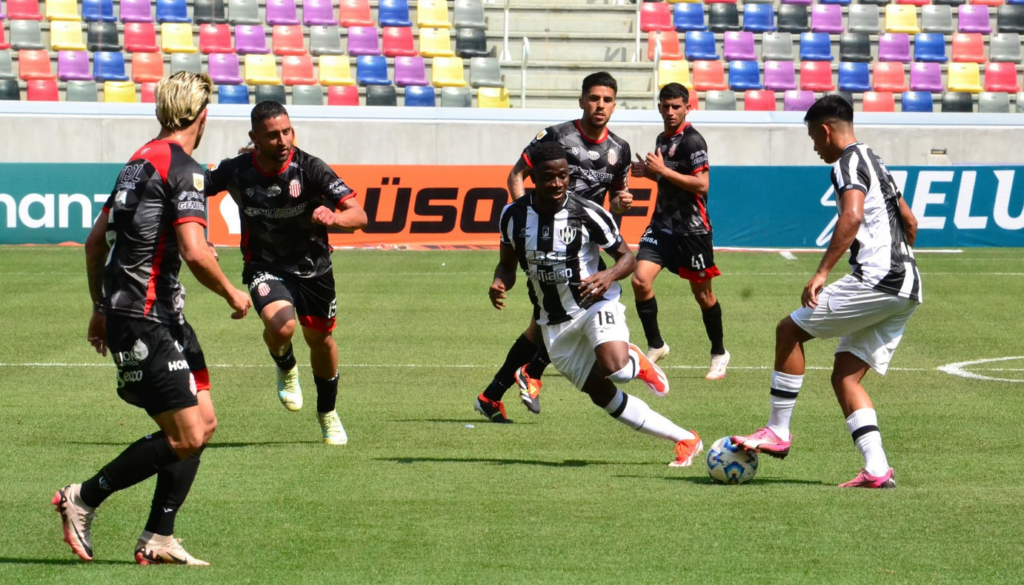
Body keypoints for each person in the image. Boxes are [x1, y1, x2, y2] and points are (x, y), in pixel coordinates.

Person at [54, 72, 252, 566]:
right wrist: (233, 292)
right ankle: (82, 498)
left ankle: (159, 537)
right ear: (203, 116)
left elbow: (97, 242)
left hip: (155, 313)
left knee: (203, 424)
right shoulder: (186, 169)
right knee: (185, 435)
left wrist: (100, 307)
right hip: (146, 318)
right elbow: (195, 252)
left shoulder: (137, 161)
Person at [732, 95, 922, 489]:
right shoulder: (877, 161)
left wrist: (821, 273)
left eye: (813, 139)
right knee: (846, 377)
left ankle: (778, 431)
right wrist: (900, 260)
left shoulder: (846, 163)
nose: (815, 147)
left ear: (825, 130)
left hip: (878, 279)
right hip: (906, 286)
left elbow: (851, 216)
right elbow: (909, 220)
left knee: (789, 330)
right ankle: (876, 468)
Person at [488, 142, 703, 466]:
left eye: (564, 176)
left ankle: (632, 359)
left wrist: (608, 276)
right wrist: (500, 281)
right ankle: (686, 439)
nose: (558, 183)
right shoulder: (513, 216)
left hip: (594, 304)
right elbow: (507, 263)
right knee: (603, 396)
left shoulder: (587, 212)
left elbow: (627, 258)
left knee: (616, 369)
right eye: (549, 177)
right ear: (533, 177)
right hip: (554, 329)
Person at [205, 101, 368, 445]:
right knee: (282, 326)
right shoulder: (235, 170)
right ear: (254, 138)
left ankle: (327, 413)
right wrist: (197, 233)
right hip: (265, 265)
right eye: (273, 135)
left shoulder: (311, 168)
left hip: (314, 268)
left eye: (287, 132)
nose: (283, 140)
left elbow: (359, 215)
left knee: (321, 341)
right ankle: (285, 363)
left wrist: (335, 218)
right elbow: (188, 190)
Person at [476, 72, 634, 421]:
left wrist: (622, 204)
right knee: (555, 319)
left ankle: (496, 393)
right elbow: (516, 175)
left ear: (614, 105)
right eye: (594, 98)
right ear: (581, 101)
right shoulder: (556, 136)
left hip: (584, 247)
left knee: (547, 321)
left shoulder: (620, 149)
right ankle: (522, 379)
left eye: (607, 100)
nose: (600, 106)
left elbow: (617, 203)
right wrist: (529, 222)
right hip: (549, 241)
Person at [630, 83, 728, 379]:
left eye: (676, 106)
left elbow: (702, 185)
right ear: (659, 107)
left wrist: (662, 172)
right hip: (661, 227)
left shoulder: (693, 141)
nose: (671, 111)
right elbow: (668, 180)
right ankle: (656, 345)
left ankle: (719, 352)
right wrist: (648, 173)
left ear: (688, 107)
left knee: (703, 296)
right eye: (666, 106)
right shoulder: (662, 138)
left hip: (692, 232)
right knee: (639, 280)